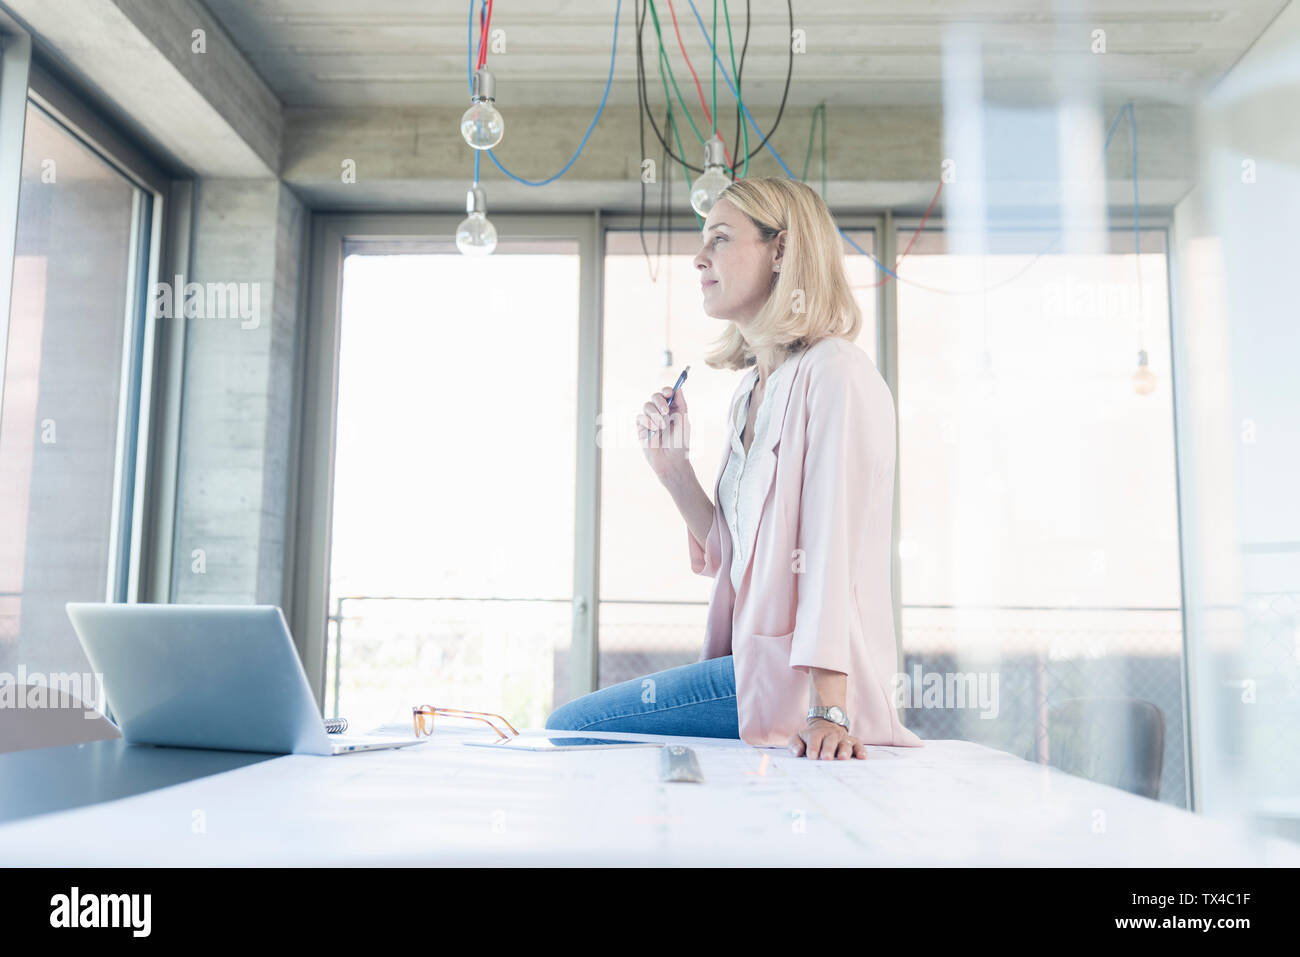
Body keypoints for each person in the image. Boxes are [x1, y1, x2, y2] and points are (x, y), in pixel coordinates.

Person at [545, 177, 923, 759]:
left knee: (571, 727)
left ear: (781, 251)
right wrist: (672, 470)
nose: (699, 258)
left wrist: (829, 711)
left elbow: (829, 550)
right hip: (750, 668)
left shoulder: (835, 372)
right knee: (578, 731)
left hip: (802, 689)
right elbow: (734, 558)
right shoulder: (751, 391)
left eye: (720, 239)